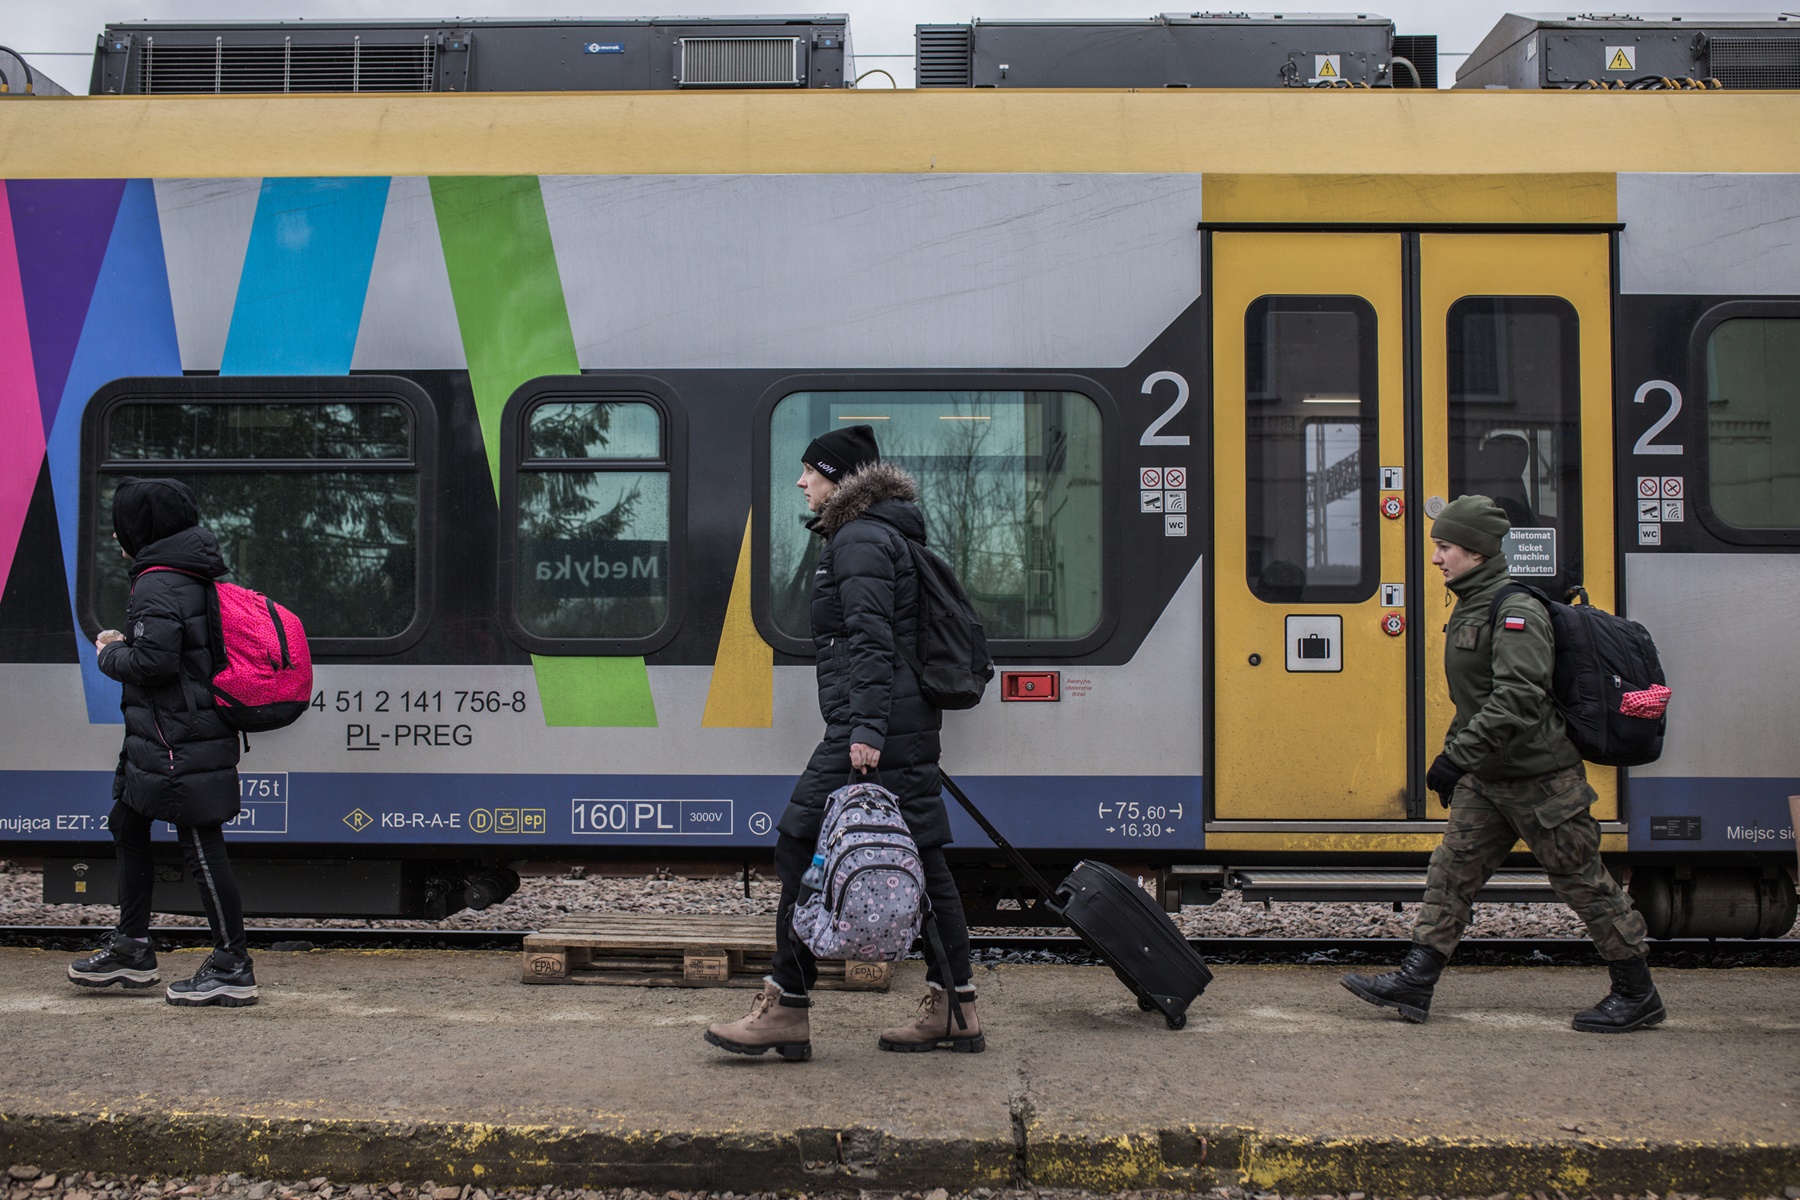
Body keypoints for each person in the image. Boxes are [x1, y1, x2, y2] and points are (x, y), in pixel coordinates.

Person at [1341, 494, 1664, 1033]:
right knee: (1451, 874)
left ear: (1477, 550)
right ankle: (1416, 980)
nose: (1437, 558)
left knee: (1583, 882)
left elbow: (1518, 698)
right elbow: (1476, 699)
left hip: (1541, 779)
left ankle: (1637, 992)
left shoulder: (1515, 610)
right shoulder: (1469, 603)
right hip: (1489, 776)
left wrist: (1454, 758)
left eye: (1445, 547)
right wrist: (1459, 759)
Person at [706, 425, 980, 1060]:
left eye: (810, 471)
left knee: (801, 844)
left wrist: (864, 732)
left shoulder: (857, 539)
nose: (801, 482)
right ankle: (956, 1007)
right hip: (893, 726)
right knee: (925, 862)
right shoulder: (877, 535)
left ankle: (786, 1008)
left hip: (874, 730)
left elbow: (869, 638)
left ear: (840, 478)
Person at [66, 478, 258, 1008]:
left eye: (122, 523)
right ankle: (132, 950)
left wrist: (109, 651)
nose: (113, 535)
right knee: (128, 821)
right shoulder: (184, 575)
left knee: (200, 843)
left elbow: (154, 662)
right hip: (166, 735)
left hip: (178, 738)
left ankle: (232, 965)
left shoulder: (158, 582)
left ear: (143, 527)